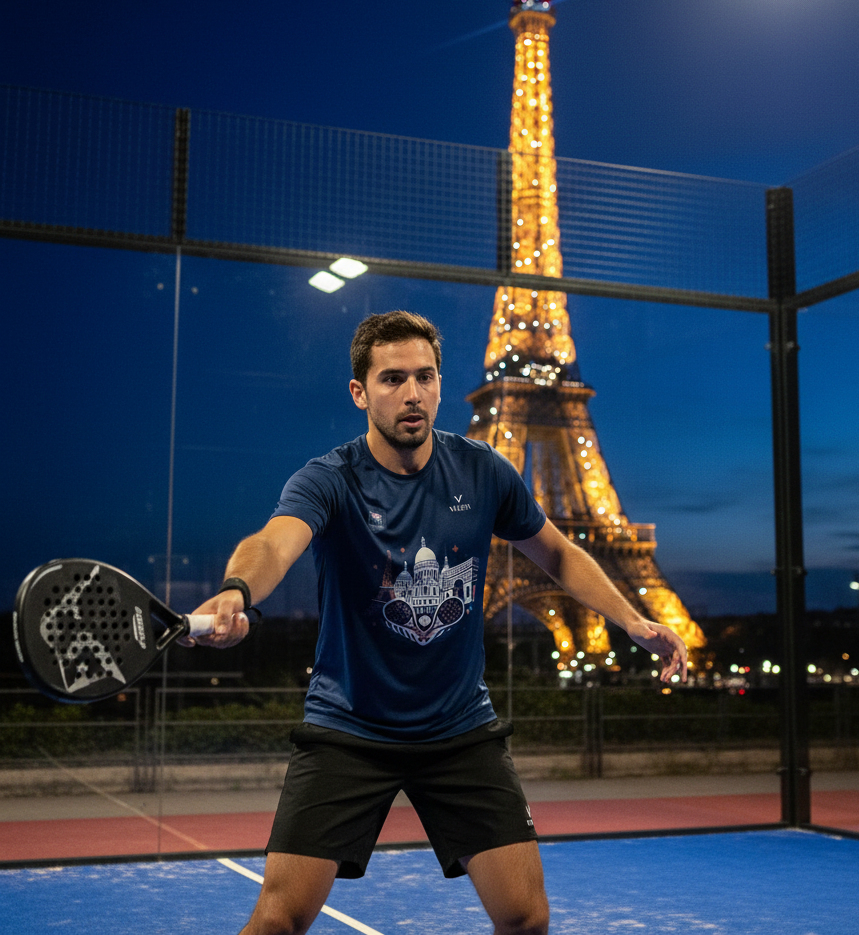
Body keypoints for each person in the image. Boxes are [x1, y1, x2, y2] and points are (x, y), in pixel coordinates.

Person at [187, 310, 688, 935]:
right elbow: (273, 543)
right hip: (350, 727)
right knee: (280, 918)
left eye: (424, 377)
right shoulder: (329, 479)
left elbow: (557, 552)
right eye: (393, 378)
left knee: (527, 917)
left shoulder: (483, 471)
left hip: (458, 729)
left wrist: (633, 621)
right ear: (360, 392)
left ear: (442, 385)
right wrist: (237, 590)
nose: (412, 393)